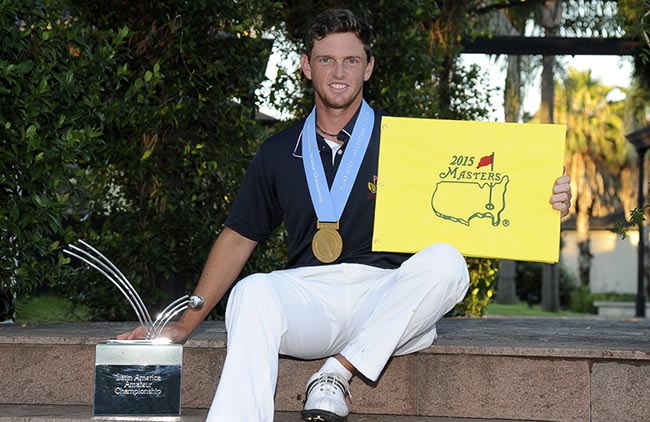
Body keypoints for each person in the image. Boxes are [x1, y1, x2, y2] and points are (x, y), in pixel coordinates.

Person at [118, 8, 572, 422]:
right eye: (326, 59)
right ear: (305, 65)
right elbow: (239, 236)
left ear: (369, 67)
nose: (339, 72)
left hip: (388, 299)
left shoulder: (407, 144)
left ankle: (336, 374)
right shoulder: (278, 151)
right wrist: (185, 323)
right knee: (251, 291)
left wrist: (542, 199)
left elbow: (485, 187)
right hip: (310, 300)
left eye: (351, 60)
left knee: (448, 264)